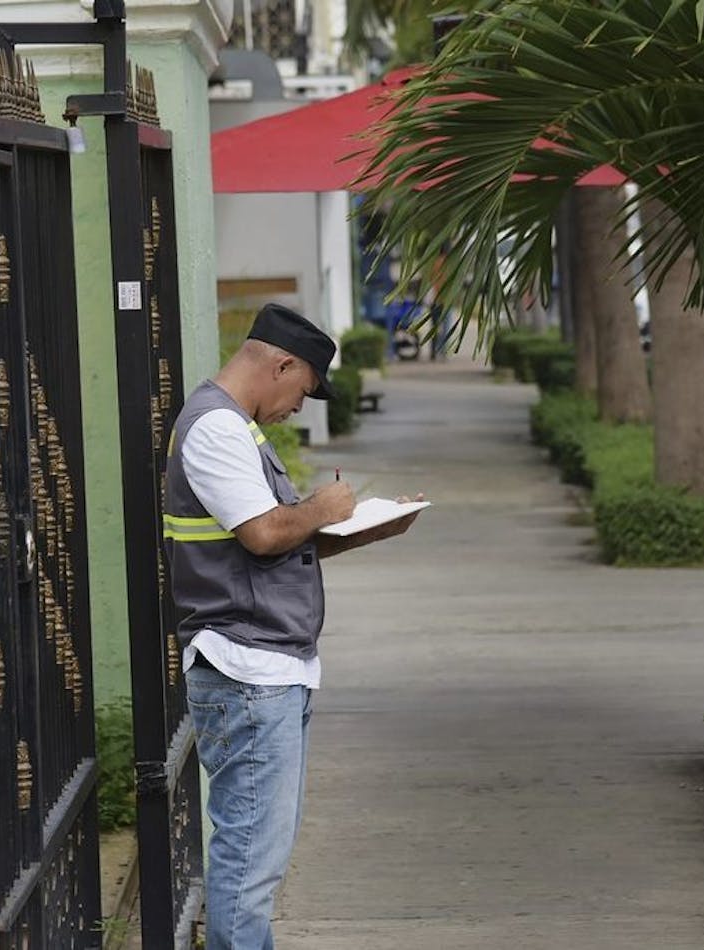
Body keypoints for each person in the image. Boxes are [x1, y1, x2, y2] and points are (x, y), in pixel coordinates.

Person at [163, 303, 422, 949]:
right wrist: (322, 506)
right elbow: (263, 532)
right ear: (280, 364)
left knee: (256, 860)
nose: (298, 406)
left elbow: (276, 543)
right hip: (248, 672)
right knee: (249, 865)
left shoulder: (234, 429)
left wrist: (365, 527)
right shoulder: (216, 430)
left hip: (267, 669)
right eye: (302, 390)